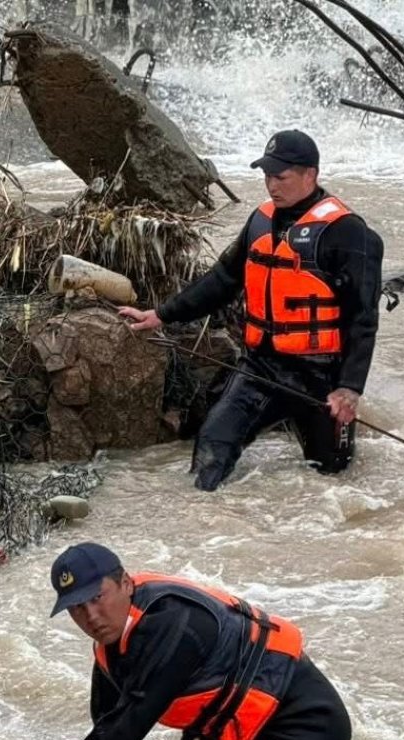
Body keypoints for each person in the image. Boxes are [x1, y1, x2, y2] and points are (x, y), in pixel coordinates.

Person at [45, 542, 351, 740]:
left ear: (125, 584)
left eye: (97, 597)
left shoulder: (175, 626)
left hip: (305, 727)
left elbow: (125, 732)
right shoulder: (112, 646)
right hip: (251, 734)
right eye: (77, 607)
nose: (91, 617)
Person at [119, 129, 384, 490]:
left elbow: (363, 317)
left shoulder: (349, 233)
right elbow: (222, 280)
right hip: (260, 367)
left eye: (280, 177)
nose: (271, 185)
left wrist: (349, 389)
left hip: (320, 377)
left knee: (333, 480)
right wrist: (161, 314)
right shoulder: (259, 221)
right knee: (210, 452)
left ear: (310, 174)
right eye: (267, 176)